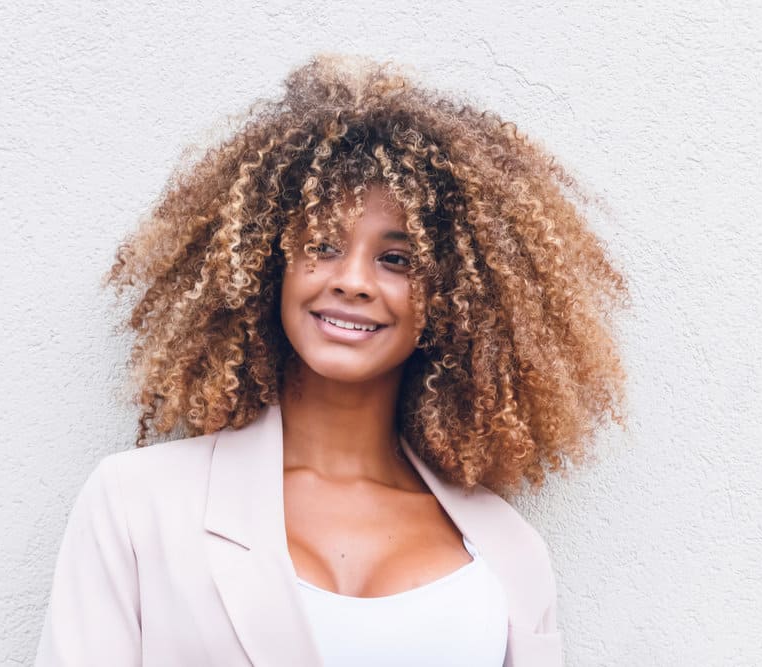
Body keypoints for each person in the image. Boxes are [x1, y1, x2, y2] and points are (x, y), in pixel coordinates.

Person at [35, 54, 630, 666]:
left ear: (454, 296)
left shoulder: (507, 551)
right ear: (269, 262)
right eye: (322, 245)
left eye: (396, 259)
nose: (352, 281)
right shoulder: (138, 505)